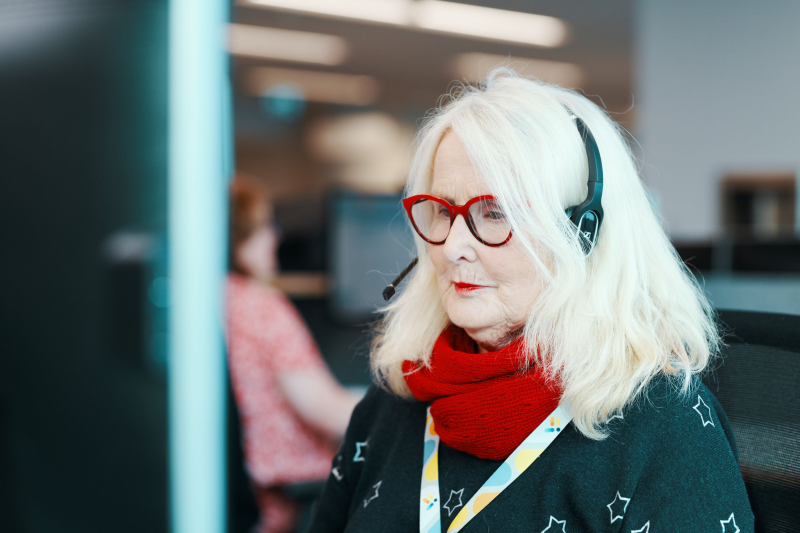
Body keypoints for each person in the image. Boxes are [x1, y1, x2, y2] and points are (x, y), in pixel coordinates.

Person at [309, 69, 754, 533]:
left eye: (495, 212)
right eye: (443, 211)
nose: (452, 246)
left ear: (582, 235)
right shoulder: (399, 398)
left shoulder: (663, 428)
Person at [226, 176, 360, 533]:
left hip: (244, 492)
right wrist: (395, 411)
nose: (275, 236)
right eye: (265, 226)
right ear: (238, 241)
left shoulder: (214, 299)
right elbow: (326, 412)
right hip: (281, 501)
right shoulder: (259, 306)